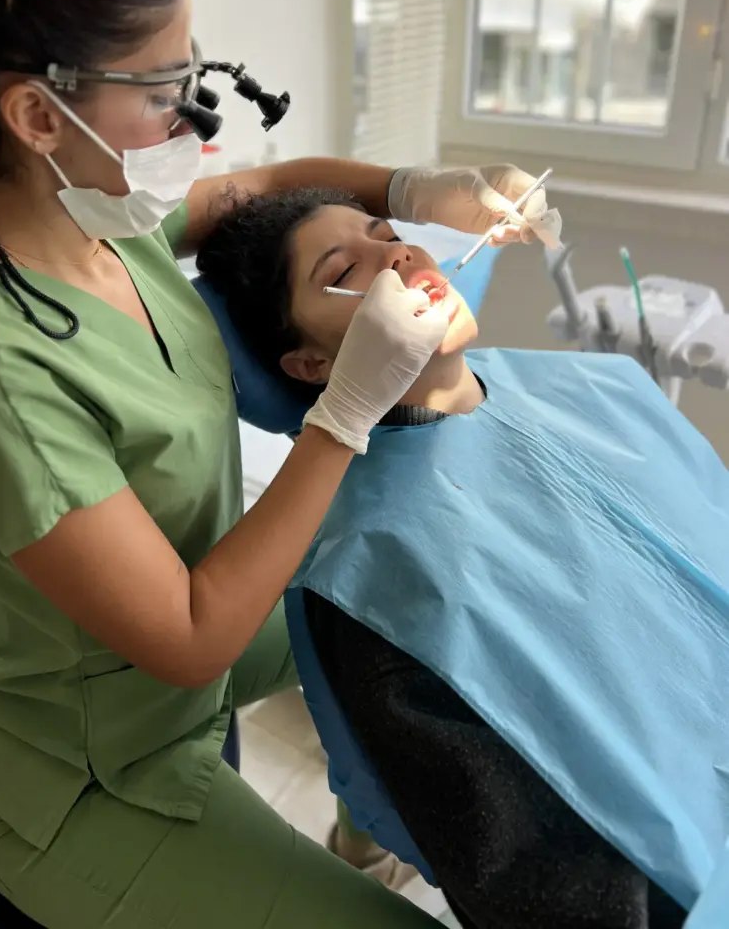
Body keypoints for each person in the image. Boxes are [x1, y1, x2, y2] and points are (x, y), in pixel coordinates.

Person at [0, 0, 550, 929]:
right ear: (38, 115)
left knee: (402, 607)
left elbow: (274, 187)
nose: (192, 123)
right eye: (164, 92)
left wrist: (411, 189)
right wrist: (344, 413)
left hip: (174, 664)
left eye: (195, 74)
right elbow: (193, 636)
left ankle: (371, 827)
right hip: (88, 778)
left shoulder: (113, 225)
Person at [195, 188, 729, 929]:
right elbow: (555, 891)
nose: (398, 255)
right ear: (313, 363)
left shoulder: (601, 383)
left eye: (388, 233)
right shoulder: (372, 579)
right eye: (345, 269)